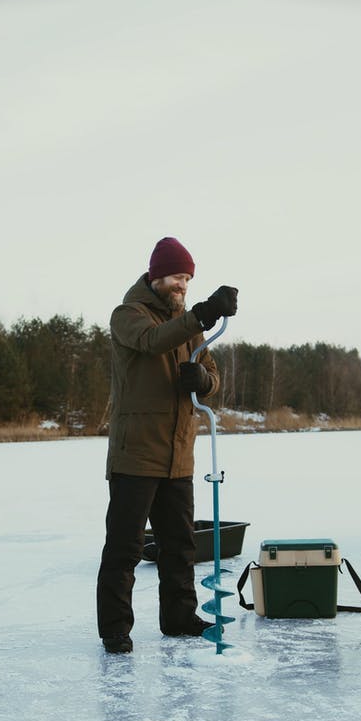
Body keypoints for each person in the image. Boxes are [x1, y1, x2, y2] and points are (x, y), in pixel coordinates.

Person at [97, 237, 238, 653]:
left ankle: (178, 617)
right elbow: (152, 341)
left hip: (179, 455)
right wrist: (202, 315)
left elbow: (212, 376)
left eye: (189, 279)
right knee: (126, 547)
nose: (183, 285)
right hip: (136, 454)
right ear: (157, 275)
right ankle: (115, 629)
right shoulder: (128, 315)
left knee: (180, 546)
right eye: (178, 276)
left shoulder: (189, 328)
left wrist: (203, 381)